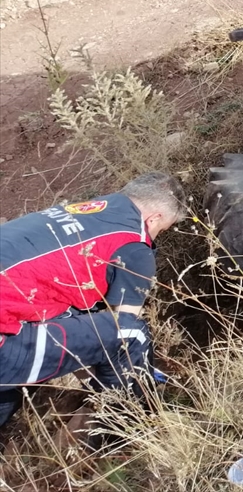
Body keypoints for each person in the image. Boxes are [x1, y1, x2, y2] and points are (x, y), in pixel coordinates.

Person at [0, 173, 186, 428]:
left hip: (9, 319)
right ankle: (122, 432)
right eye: (161, 230)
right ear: (154, 218)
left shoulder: (85, 211)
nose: (155, 236)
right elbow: (120, 327)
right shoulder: (134, 246)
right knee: (132, 336)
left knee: (56, 332)